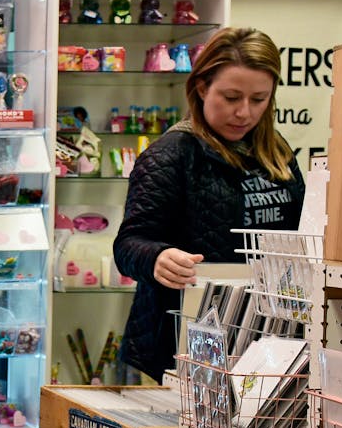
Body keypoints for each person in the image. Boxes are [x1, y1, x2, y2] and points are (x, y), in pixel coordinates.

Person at [113, 27, 306, 382]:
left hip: (265, 339)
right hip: (180, 343)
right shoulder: (171, 155)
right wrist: (157, 258)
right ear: (202, 87)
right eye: (231, 97)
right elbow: (128, 245)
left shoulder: (276, 151)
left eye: (259, 99)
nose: (244, 113)